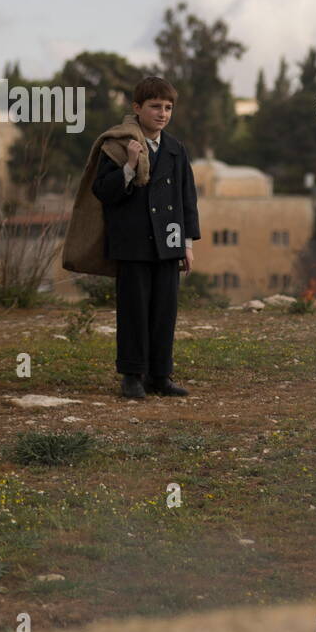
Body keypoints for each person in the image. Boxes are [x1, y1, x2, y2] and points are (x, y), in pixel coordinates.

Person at [91, 76, 200, 398]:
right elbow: (102, 191)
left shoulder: (176, 149)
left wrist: (187, 244)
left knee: (165, 311)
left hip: (168, 243)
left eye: (168, 107)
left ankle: (160, 376)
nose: (162, 113)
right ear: (137, 108)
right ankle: (132, 376)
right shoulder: (116, 145)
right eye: (155, 106)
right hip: (132, 244)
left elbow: (186, 199)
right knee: (134, 311)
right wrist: (130, 165)